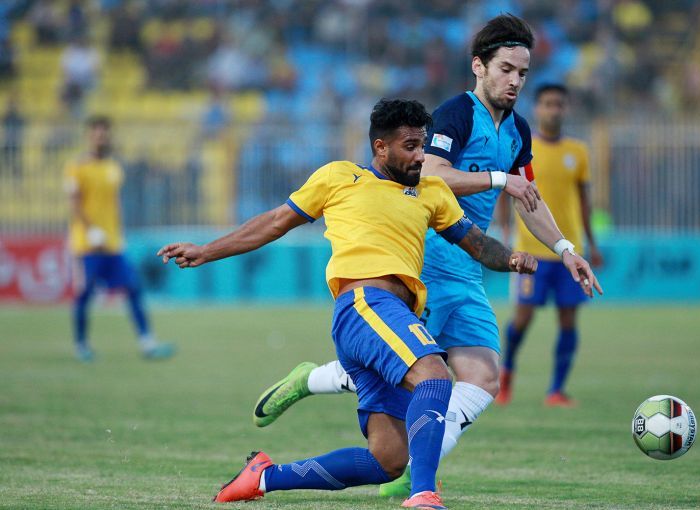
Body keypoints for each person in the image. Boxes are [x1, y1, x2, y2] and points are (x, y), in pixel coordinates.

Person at [249, 13, 603, 497]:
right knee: (414, 371)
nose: (515, 81)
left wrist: (565, 249)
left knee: (482, 379)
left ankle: (416, 465)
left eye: (522, 72)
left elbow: (529, 198)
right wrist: (500, 179)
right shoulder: (457, 114)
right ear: (479, 66)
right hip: (428, 265)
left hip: (469, 271)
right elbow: (433, 174)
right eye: (505, 69)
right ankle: (315, 383)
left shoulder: (518, 130)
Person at [157, 98, 538, 508]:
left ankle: (264, 477)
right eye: (410, 146)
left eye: (423, 145)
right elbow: (275, 222)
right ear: (380, 147)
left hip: (390, 318)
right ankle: (423, 493)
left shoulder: (432, 192)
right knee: (434, 376)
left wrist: (511, 259)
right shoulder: (339, 177)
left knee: (388, 459)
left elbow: (476, 243)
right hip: (363, 305)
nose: (420, 156)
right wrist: (207, 251)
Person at [496, 83, 603, 407]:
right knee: (522, 318)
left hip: (569, 250)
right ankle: (505, 378)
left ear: (566, 109)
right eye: (547, 104)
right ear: (538, 108)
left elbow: (584, 202)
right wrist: (505, 234)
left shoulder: (578, 151)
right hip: (531, 249)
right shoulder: (522, 148)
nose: (553, 110)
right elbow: (506, 191)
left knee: (568, 320)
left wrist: (591, 244)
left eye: (559, 104)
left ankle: (556, 390)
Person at [65, 115, 175, 362]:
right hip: (87, 245)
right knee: (85, 293)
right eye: (97, 134)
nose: (101, 138)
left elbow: (114, 204)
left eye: (104, 134)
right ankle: (81, 345)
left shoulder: (113, 168)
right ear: (89, 136)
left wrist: (118, 233)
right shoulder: (77, 166)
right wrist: (91, 230)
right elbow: (74, 203)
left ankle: (147, 342)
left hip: (112, 243)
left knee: (133, 287)